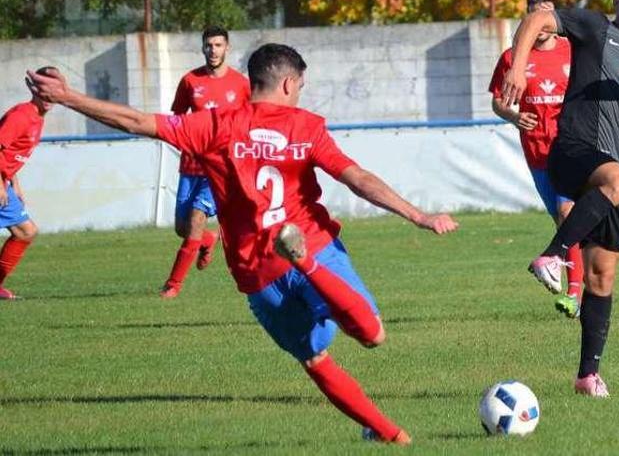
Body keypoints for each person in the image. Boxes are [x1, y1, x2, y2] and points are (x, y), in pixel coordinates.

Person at [27, 44, 458, 444]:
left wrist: (68, 98)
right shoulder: (306, 127)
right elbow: (357, 178)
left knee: (316, 360)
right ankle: (306, 265)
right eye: (301, 86)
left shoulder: (214, 125)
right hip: (313, 244)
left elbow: (139, 122)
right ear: (290, 83)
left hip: (257, 272)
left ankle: (393, 436)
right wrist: (419, 216)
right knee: (373, 335)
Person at [500, 0, 619, 397]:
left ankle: (586, 375)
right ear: (618, 1)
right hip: (574, 148)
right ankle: (553, 255)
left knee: (602, 276)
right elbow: (538, 19)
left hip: (607, 168)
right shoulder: (594, 27)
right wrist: (518, 68)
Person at [489, 0, 584, 319]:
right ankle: (569, 266)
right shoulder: (512, 58)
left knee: (567, 215)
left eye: (548, 14)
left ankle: (575, 293)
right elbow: (498, 102)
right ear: (527, 18)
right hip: (536, 150)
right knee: (562, 222)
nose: (543, 23)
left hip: (570, 146)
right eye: (536, 15)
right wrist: (514, 115)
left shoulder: (573, 51)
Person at [162, 25, 251, 298]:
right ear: (202, 47)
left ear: (227, 48)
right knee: (183, 228)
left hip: (221, 168)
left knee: (197, 216)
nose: (213, 50)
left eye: (218, 45)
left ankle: (172, 285)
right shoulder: (190, 81)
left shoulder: (240, 84)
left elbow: (249, 122)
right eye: (209, 45)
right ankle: (208, 239)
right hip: (191, 166)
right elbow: (176, 118)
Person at [0, 67, 56, 301]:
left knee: (25, 231)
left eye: (54, 91)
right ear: (33, 88)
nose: (50, 97)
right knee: (26, 231)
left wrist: (15, 184)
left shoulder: (38, 118)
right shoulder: (21, 115)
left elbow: (10, 154)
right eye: (44, 90)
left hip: (5, 180)